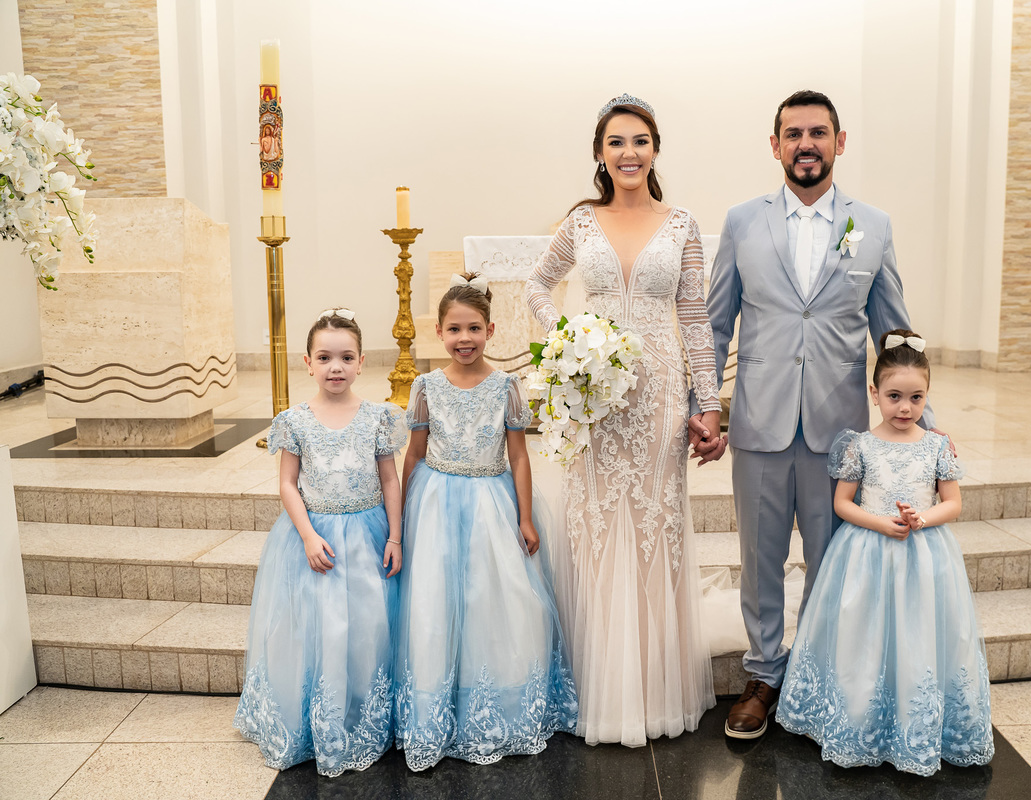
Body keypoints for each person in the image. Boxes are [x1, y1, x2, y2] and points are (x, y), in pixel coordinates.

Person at [693, 90, 938, 740]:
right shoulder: (745, 221)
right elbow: (716, 325)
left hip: (841, 436)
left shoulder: (870, 225)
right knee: (761, 557)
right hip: (760, 425)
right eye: (793, 133)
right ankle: (764, 675)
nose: (806, 144)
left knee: (835, 563)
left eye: (818, 133)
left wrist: (925, 422)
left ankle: (824, 676)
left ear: (839, 141)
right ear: (774, 144)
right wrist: (705, 406)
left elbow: (893, 329)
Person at [525, 94, 720, 747]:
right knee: (599, 524)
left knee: (652, 527)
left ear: (655, 149)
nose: (629, 152)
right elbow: (535, 287)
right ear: (601, 154)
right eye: (617, 142)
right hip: (595, 394)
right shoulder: (581, 222)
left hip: (660, 392)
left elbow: (695, 318)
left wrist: (709, 402)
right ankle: (595, 684)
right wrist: (568, 345)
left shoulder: (682, 223)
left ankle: (652, 688)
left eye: (640, 141)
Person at [776, 330, 992, 775]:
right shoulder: (860, 445)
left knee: (918, 635)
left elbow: (953, 502)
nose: (905, 408)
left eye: (916, 397)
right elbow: (842, 503)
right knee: (867, 633)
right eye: (895, 396)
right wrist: (883, 524)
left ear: (928, 396)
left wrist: (922, 519)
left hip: (925, 556)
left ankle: (917, 724)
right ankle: (861, 720)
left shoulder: (936, 447)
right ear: (874, 394)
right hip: (868, 554)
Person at [393, 273, 578, 771]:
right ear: (439, 332)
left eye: (474, 328)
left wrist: (525, 516)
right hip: (435, 501)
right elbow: (414, 452)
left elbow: (519, 456)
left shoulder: (507, 387)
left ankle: (492, 700)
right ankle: (437, 701)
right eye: (455, 329)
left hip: (492, 502)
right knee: (437, 599)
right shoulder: (426, 386)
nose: (465, 339)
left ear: (491, 331)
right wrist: (404, 511)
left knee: (492, 599)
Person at [235, 308, 407, 777]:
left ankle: (365, 713)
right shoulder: (294, 420)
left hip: (369, 536)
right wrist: (308, 535)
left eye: (346, 357)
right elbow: (288, 484)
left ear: (361, 362)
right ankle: (320, 717)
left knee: (369, 627)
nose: (336, 366)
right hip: (316, 539)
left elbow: (390, 480)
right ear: (307, 362)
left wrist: (394, 535)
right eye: (325, 357)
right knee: (322, 628)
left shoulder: (378, 417)